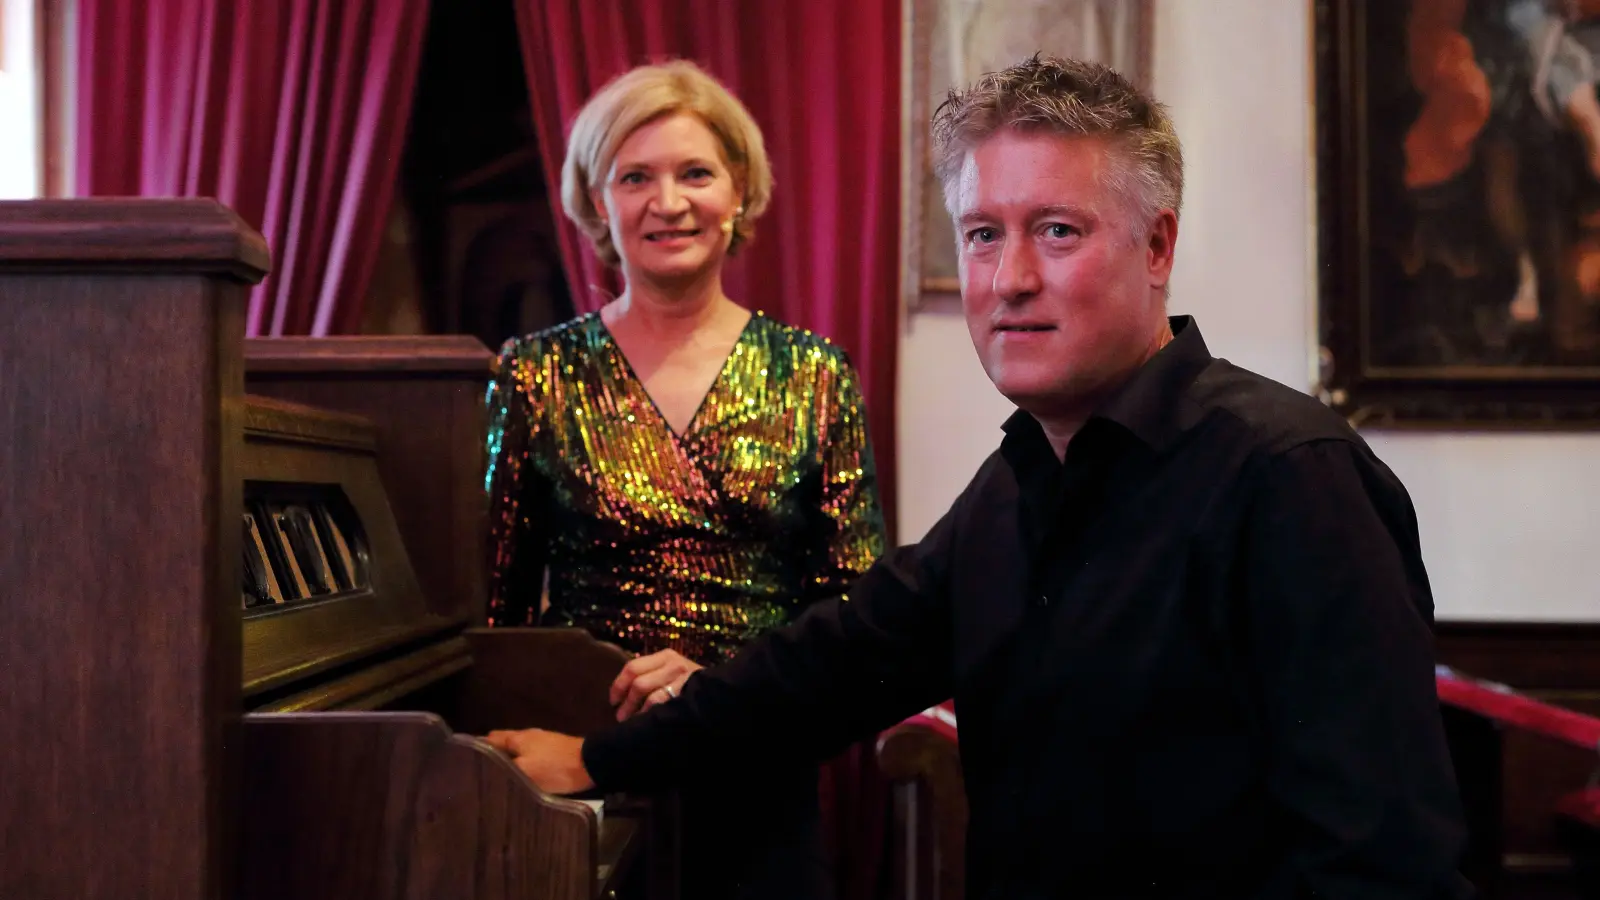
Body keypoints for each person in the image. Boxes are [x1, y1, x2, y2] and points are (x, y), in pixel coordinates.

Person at [488, 54, 1474, 899]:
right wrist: (593, 759)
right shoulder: (1013, 486)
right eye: (981, 235)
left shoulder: (1290, 478)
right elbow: (824, 669)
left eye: (1056, 230)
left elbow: (1384, 864)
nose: (1009, 280)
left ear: (1157, 245)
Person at [483, 60, 887, 900]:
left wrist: (719, 684)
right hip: (582, 777)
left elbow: (850, 617)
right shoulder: (533, 373)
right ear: (599, 201)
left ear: (738, 191)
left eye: (694, 173)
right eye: (636, 177)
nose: (668, 202)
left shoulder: (815, 374)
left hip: (759, 774)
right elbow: (498, 611)